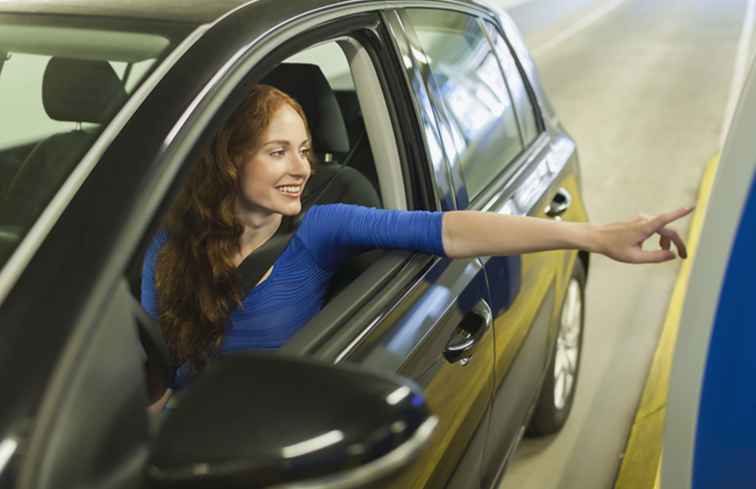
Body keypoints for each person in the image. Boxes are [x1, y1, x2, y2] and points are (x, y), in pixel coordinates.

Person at [142, 84, 692, 411]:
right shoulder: (167, 243)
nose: (303, 168)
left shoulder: (322, 229)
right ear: (231, 160)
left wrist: (592, 235)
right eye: (278, 152)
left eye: (305, 151)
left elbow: (451, 230)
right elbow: (155, 380)